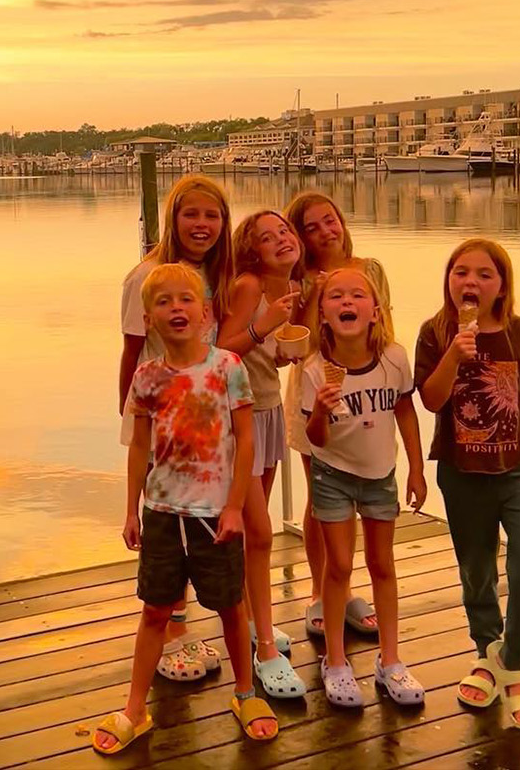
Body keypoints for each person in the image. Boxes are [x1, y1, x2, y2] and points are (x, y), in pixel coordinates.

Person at [93, 263, 278, 754]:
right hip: (162, 512)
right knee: (155, 609)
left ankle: (245, 692)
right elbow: (138, 448)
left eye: (185, 300)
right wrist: (131, 510)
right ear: (149, 319)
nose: (176, 308)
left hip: (215, 513)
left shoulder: (227, 369)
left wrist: (236, 506)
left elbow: (245, 441)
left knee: (229, 608)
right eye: (164, 302)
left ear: (206, 313)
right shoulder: (147, 377)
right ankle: (135, 707)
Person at [415, 238, 520, 731]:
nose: (471, 282)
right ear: (449, 280)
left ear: (501, 285)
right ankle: (487, 648)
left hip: (519, 466)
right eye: (461, 272)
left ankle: (512, 660)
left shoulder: (519, 332)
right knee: (476, 570)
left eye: (484, 274)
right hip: (462, 472)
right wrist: (455, 356)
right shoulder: (435, 332)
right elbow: (432, 401)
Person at [118, 174, 234, 681]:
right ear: (173, 218)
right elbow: (129, 350)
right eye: (192, 215)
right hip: (155, 409)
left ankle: (183, 625)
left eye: (212, 216)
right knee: (164, 523)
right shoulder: (147, 275)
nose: (202, 225)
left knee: (195, 517)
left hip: (202, 416)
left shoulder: (216, 275)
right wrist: (126, 412)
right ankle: (170, 633)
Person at [301, 266, 426, 709]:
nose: (347, 303)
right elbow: (315, 438)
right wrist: (319, 411)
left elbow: (405, 412)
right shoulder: (315, 369)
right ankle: (335, 661)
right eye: (336, 296)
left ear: (375, 312)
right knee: (338, 565)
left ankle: (389, 660)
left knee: (383, 564)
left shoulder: (393, 357)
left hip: (380, 473)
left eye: (357, 296)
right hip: (332, 473)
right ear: (322, 313)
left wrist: (416, 468)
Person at [283, 190, 392, 638]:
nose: (327, 231)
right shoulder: (299, 281)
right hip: (316, 395)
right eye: (312, 226)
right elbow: (301, 344)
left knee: (368, 494)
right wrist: (316, 290)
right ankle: (319, 590)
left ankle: (346, 589)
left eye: (331, 220)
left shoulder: (371, 270)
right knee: (321, 497)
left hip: (368, 396)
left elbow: (385, 327)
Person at [217, 210, 306, 698]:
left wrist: (277, 351)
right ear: (251, 251)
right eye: (266, 237)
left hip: (268, 408)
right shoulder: (250, 286)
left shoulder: (283, 290)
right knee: (263, 533)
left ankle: (251, 622)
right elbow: (220, 347)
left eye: (284, 232)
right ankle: (266, 650)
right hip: (241, 419)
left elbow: (255, 353)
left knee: (256, 533)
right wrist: (262, 329)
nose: (280, 240)